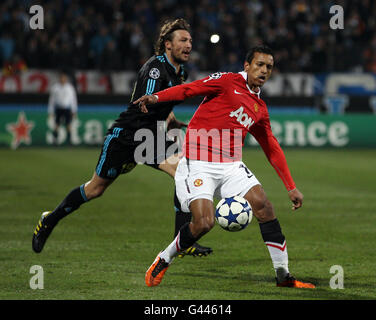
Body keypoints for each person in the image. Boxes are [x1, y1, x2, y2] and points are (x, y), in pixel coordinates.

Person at [134, 45, 315, 288]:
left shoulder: (259, 109)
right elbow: (189, 89)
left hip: (230, 166)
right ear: (247, 65)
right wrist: (157, 97)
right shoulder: (226, 81)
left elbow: (271, 147)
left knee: (264, 207)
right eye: (259, 65)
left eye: (269, 67)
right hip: (198, 163)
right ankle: (164, 259)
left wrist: (291, 187)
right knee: (204, 223)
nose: (264, 71)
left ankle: (283, 276)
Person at [32, 18, 212, 258]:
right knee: (95, 189)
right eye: (183, 40)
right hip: (128, 136)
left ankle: (182, 241)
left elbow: (162, 102)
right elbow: (146, 102)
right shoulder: (155, 68)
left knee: (184, 171)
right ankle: (49, 220)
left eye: (190, 40)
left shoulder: (180, 72)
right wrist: (158, 115)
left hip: (152, 135)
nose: (189, 44)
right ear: (168, 44)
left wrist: (169, 118)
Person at [48, 71, 78, 145]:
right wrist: (50, 110)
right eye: (61, 78)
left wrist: (74, 110)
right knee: (56, 125)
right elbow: (52, 100)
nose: (63, 79)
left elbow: (73, 100)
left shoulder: (70, 88)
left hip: (67, 109)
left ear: (66, 79)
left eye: (64, 78)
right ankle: (55, 140)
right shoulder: (55, 88)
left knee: (68, 125)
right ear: (59, 79)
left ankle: (69, 141)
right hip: (58, 108)